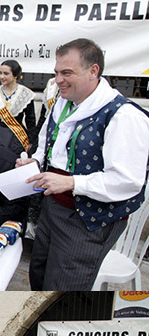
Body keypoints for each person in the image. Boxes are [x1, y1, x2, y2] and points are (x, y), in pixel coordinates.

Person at [22, 38, 149, 290]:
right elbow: (47, 145)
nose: (58, 80)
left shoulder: (124, 116)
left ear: (93, 71)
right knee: (39, 274)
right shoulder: (63, 103)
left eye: (67, 72)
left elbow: (127, 181)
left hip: (88, 219)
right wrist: (33, 160)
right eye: (57, 72)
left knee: (63, 287)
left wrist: (71, 182)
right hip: (51, 207)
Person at [0, 60, 36, 153]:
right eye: (0, 73)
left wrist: (31, 142)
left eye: (6, 73)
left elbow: (30, 121)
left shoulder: (25, 93)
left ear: (15, 75)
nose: (2, 77)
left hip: (16, 136)